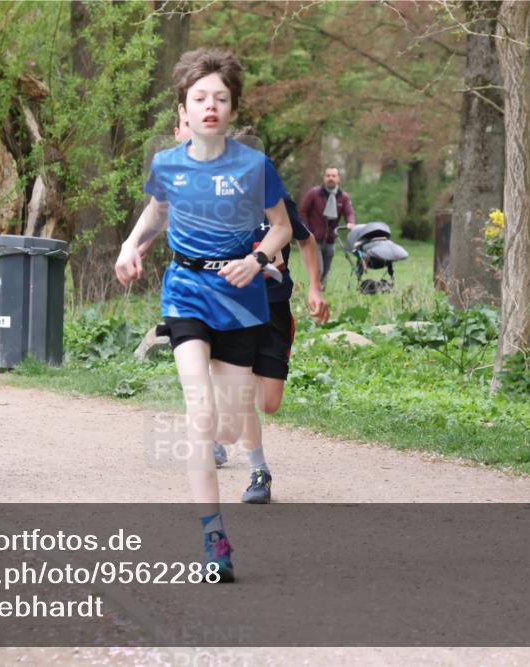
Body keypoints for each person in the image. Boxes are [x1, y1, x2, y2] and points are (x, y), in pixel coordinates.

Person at [115, 49, 292, 582]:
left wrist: (257, 258)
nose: (209, 106)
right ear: (184, 109)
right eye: (199, 98)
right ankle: (214, 538)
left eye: (220, 98)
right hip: (187, 292)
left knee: (235, 424)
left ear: (232, 109)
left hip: (240, 299)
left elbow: (281, 227)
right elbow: (157, 208)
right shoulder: (167, 163)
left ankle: (241, 451)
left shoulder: (254, 165)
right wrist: (132, 244)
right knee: (200, 415)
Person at [204, 126, 331, 502]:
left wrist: (314, 287)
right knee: (240, 389)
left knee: (268, 402)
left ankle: (224, 426)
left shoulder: (278, 201)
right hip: (233, 309)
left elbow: (306, 242)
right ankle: (259, 471)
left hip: (275, 307)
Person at [299, 165, 356, 289]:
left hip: (330, 240)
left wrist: (350, 222)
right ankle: (315, 292)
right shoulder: (314, 193)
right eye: (328, 175)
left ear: (338, 179)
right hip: (314, 238)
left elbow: (349, 212)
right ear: (324, 178)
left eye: (333, 176)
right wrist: (306, 230)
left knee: (326, 271)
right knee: (318, 269)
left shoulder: (343, 197)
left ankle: (321, 293)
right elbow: (303, 211)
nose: (331, 178)